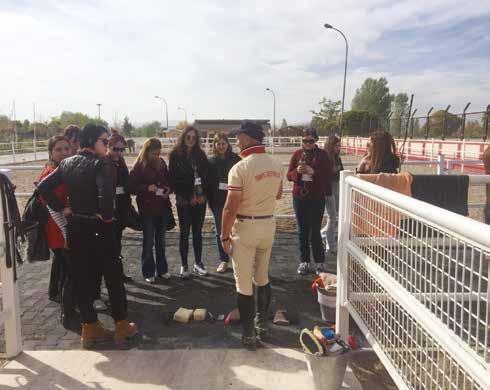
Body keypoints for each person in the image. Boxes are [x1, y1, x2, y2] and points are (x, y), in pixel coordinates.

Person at [38, 123, 137, 348]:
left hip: (76, 227)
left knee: (82, 277)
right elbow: (105, 194)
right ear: (93, 141)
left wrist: (62, 207)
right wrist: (106, 216)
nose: (107, 145)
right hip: (100, 226)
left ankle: (89, 327)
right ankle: (122, 325)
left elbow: (42, 188)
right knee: (112, 276)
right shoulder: (103, 163)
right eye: (104, 141)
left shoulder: (67, 163)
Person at [221, 121, 283, 349]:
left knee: (243, 283)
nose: (236, 141)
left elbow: (230, 208)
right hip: (268, 224)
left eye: (238, 137)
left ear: (247, 138)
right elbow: (277, 195)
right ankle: (262, 324)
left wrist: (224, 236)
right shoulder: (276, 164)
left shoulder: (239, 168)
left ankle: (249, 334)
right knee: (263, 277)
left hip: (246, 227)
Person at [38, 135, 75, 325]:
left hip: (60, 226)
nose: (63, 153)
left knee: (60, 262)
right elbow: (47, 202)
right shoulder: (50, 173)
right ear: (51, 153)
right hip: (56, 227)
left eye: (66, 149)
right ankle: (67, 310)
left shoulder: (64, 169)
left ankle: (54, 292)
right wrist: (64, 208)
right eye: (58, 149)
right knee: (69, 269)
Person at [287, 128, 333, 275]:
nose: (307, 143)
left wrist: (313, 172)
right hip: (299, 197)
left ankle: (320, 262)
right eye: (304, 140)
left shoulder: (323, 155)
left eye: (310, 141)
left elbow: (328, 174)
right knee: (302, 230)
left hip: (316, 197)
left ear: (316, 140)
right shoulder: (297, 154)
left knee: (315, 231)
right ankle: (304, 261)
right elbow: (289, 175)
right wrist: (297, 173)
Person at [128, 138, 172, 283]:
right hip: (147, 209)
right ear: (147, 151)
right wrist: (146, 188)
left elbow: (167, 180)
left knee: (161, 241)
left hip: (162, 207)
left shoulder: (162, 163)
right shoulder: (139, 166)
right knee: (148, 242)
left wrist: (167, 189)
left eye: (159, 153)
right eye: (154, 153)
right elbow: (131, 187)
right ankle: (148, 271)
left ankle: (162, 269)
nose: (157, 156)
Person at [169, 126, 209, 279]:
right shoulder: (175, 156)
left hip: (200, 200)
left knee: (198, 233)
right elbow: (173, 180)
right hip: (184, 201)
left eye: (194, 137)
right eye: (188, 137)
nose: (191, 140)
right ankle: (184, 264)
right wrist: (188, 196)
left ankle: (198, 263)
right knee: (184, 233)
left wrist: (202, 194)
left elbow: (206, 176)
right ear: (183, 137)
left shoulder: (201, 155)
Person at [207, 133, 241, 273]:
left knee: (237, 231)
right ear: (215, 145)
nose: (221, 146)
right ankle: (224, 260)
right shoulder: (211, 162)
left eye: (223, 143)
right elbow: (208, 183)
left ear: (228, 144)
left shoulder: (236, 159)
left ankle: (238, 259)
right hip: (218, 202)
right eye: (218, 143)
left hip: (235, 200)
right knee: (221, 232)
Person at [107, 134, 133, 283]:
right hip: (110, 209)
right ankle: (113, 274)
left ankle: (118, 273)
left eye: (122, 149)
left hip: (121, 207)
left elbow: (126, 182)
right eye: (116, 149)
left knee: (117, 241)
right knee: (111, 244)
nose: (119, 152)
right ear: (109, 147)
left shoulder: (121, 162)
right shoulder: (105, 163)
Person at [321, 135, 343, 256]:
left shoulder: (337, 157)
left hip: (336, 188)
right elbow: (324, 174)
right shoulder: (325, 157)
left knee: (335, 215)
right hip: (327, 189)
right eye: (336, 145)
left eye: (339, 145)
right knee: (332, 216)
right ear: (331, 145)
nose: (338, 148)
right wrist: (333, 171)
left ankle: (324, 236)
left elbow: (341, 173)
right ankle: (330, 244)